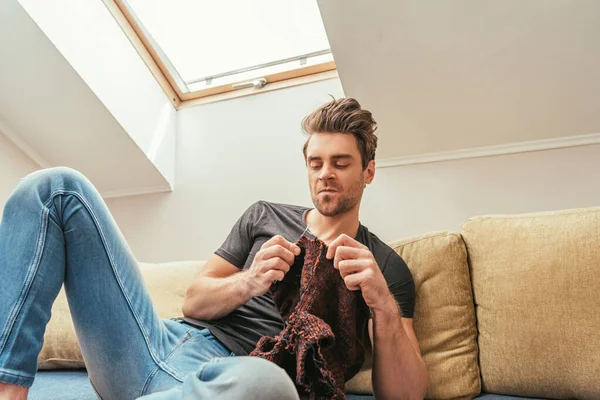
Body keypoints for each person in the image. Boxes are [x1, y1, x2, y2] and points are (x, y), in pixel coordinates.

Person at [0, 97, 427, 400]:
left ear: (368, 171)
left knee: (270, 386)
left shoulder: (383, 267)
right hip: (156, 346)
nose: (324, 175)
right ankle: (8, 386)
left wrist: (383, 308)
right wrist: (250, 281)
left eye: (341, 162)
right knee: (56, 187)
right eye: (315, 163)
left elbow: (405, 395)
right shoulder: (264, 216)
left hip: (233, 382)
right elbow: (194, 303)